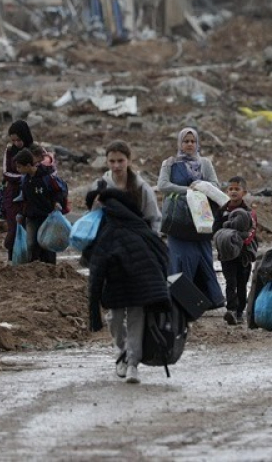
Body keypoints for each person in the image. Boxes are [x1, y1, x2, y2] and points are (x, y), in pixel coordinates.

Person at [85, 187, 171, 385]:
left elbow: (159, 256)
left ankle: (132, 363)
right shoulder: (107, 228)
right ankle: (123, 353)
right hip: (116, 284)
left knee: (135, 320)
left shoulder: (129, 227)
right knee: (115, 319)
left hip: (137, 284)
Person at [157, 127, 225, 308]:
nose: (189, 144)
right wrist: (187, 190)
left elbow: (215, 184)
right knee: (180, 258)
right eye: (186, 141)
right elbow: (162, 185)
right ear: (179, 143)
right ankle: (182, 301)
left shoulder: (205, 163)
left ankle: (209, 300)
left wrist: (201, 185)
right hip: (178, 220)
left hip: (201, 219)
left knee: (204, 258)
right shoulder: (170, 163)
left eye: (193, 141)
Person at [213, 176, 258, 325]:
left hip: (243, 254)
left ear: (244, 192)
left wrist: (237, 239)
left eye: (237, 189)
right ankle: (231, 310)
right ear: (226, 192)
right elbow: (216, 231)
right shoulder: (221, 211)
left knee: (242, 283)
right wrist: (225, 240)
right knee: (230, 282)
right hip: (227, 254)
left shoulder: (249, 212)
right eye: (230, 189)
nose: (233, 192)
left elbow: (251, 232)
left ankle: (240, 311)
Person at [90, 140, 162, 233]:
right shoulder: (99, 186)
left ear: (129, 161)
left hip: (137, 237)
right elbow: (93, 218)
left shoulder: (141, 188)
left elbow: (154, 218)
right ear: (106, 162)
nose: (116, 165)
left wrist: (153, 238)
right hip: (107, 238)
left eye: (120, 161)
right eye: (112, 161)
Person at [13, 148, 67, 265]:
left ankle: (50, 268)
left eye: (19, 167)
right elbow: (25, 199)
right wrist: (21, 214)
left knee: (48, 244)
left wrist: (57, 202)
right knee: (31, 244)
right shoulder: (25, 180)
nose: (18, 170)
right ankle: (34, 268)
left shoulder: (46, 177)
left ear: (28, 165)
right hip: (32, 217)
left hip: (47, 217)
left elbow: (58, 191)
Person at [1, 120, 33, 261]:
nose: (16, 143)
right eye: (13, 140)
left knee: (30, 227)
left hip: (31, 195)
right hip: (13, 195)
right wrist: (23, 176)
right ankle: (12, 258)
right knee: (14, 228)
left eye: (19, 140)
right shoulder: (9, 151)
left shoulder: (34, 150)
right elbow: (6, 173)